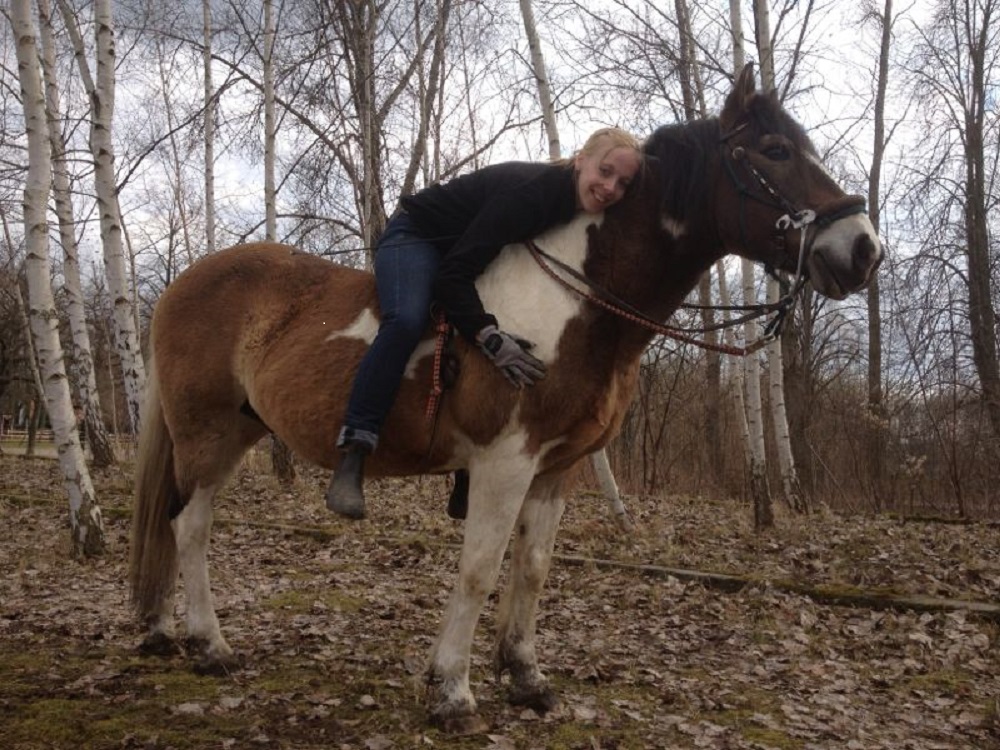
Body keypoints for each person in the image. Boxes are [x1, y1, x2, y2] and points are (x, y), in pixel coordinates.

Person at [326, 127, 643, 519]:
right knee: (406, 321)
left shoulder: (577, 205)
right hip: (418, 237)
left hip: (469, 255)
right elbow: (451, 277)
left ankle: (466, 472)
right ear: (581, 160)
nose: (610, 188)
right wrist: (489, 337)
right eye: (605, 171)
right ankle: (354, 450)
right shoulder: (531, 195)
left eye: (623, 183)